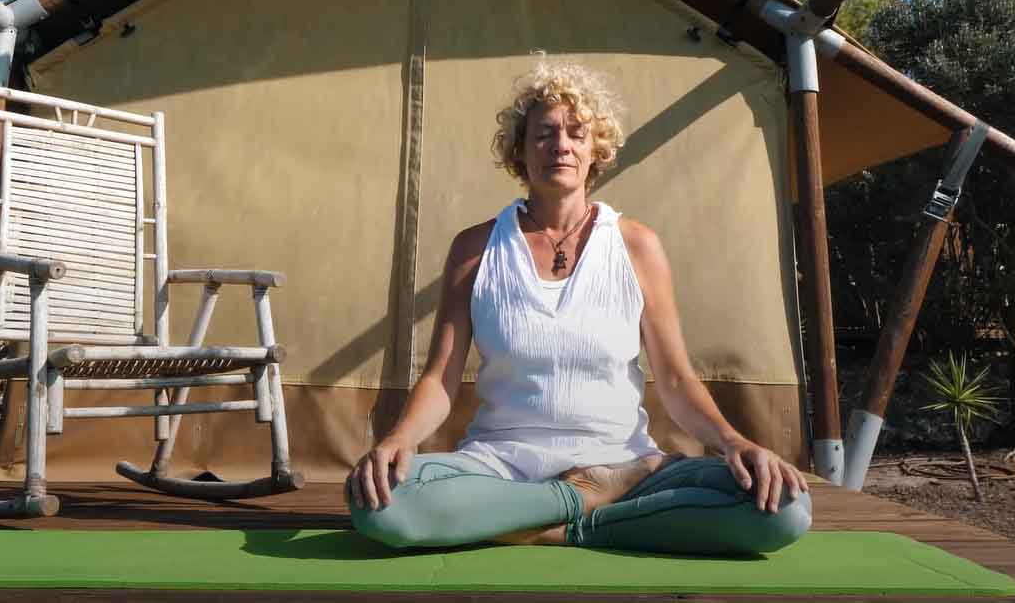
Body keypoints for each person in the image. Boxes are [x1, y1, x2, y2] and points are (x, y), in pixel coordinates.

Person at [348, 58, 812, 555]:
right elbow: (440, 378)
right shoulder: (475, 248)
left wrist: (733, 442)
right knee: (381, 505)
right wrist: (398, 439)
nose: (561, 145)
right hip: (502, 468)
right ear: (520, 151)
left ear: (597, 149)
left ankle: (527, 522)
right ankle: (581, 506)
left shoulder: (637, 246)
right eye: (544, 134)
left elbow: (676, 380)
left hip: (628, 467)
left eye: (576, 132)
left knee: (783, 510)